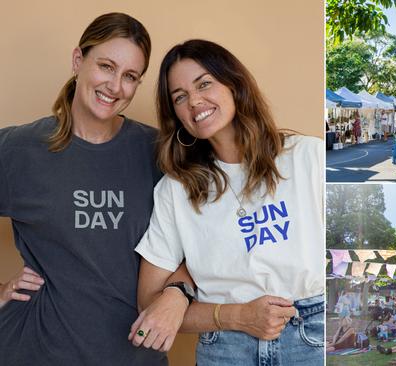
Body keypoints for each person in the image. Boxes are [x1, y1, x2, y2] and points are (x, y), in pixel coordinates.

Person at [130, 40, 323, 364]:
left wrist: (179, 289)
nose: (194, 101)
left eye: (204, 84)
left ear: (234, 84)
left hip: (312, 336)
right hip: (225, 348)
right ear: (175, 114)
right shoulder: (176, 189)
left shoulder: (308, 158)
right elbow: (149, 305)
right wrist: (234, 315)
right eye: (180, 97)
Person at [0, 13, 169, 365]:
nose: (115, 86)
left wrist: (177, 297)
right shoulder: (19, 149)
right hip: (34, 351)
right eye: (106, 66)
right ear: (79, 60)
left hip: (135, 356)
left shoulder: (158, 152)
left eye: (130, 76)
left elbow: (197, 244)